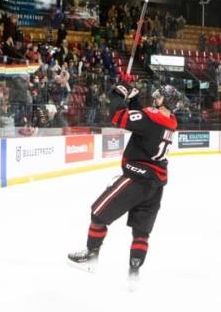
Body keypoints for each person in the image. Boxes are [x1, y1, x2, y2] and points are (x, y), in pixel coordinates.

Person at [67, 82, 182, 281]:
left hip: (136, 179)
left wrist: (118, 95)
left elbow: (119, 117)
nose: (156, 98)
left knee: (98, 214)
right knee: (141, 232)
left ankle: (91, 255)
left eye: (160, 96)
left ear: (166, 101)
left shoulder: (150, 119)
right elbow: (142, 126)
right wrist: (135, 101)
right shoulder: (170, 121)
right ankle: (134, 273)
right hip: (156, 185)